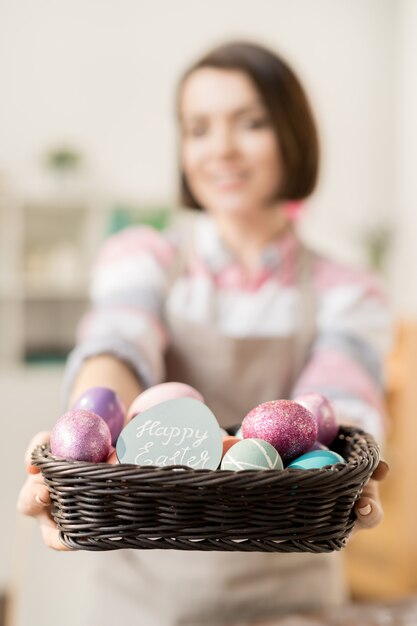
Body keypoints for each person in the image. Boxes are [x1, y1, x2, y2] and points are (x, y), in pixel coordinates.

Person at [18, 40, 390, 625]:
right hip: (143, 599)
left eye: (251, 122)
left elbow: (333, 408)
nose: (221, 149)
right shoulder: (142, 258)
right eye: (198, 128)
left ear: (293, 135)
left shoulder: (349, 291)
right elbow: (117, 345)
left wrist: (346, 470)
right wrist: (84, 430)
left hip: (292, 600)